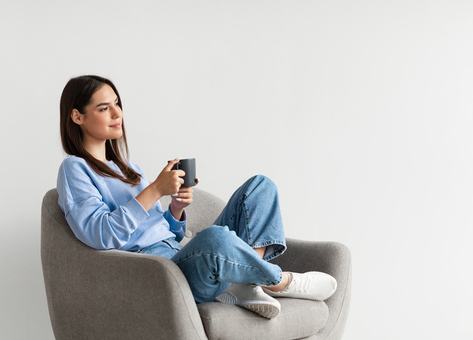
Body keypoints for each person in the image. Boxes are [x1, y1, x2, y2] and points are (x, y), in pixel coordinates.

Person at [56, 75, 336, 319]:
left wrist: (175, 209)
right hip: (159, 273)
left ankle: (246, 284)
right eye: (104, 108)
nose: (117, 114)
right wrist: (154, 190)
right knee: (216, 237)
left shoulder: (130, 170)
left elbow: (168, 234)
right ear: (77, 116)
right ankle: (279, 281)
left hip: (180, 255)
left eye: (117, 104)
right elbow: (99, 235)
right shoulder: (75, 169)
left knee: (261, 187)